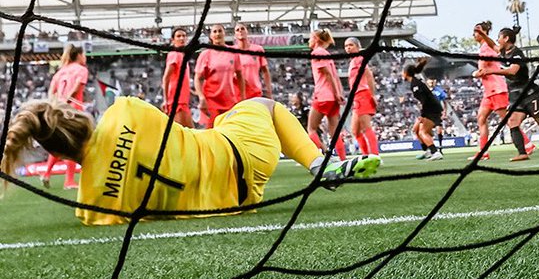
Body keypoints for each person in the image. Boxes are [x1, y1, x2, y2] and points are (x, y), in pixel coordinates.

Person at [2, 92, 381, 226]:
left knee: (219, 119)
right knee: (259, 105)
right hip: (248, 154)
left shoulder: (90, 205)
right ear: (78, 114)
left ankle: (320, 164)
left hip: (237, 200)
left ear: (53, 152)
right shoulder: (125, 111)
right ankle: (320, 165)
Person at [476, 27, 539, 161]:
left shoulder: (517, 54)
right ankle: (522, 153)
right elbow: (492, 45)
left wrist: (490, 72)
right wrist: (483, 35)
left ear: (506, 38)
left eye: (499, 37)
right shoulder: (502, 51)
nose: (497, 40)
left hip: (530, 95)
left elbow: (512, 71)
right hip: (516, 97)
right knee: (512, 122)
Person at [40, 44, 87, 189]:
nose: (85, 58)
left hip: (58, 111)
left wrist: (54, 106)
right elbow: (76, 87)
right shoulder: (81, 70)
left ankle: (46, 174)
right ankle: (69, 181)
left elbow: (51, 91)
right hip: (73, 111)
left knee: (60, 144)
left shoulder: (60, 72)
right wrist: (67, 101)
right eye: (84, 54)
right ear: (79, 55)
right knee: (73, 145)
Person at [471, 21, 510, 160]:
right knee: (481, 118)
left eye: (476, 32)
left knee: (507, 120)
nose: (473, 34)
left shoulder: (486, 48)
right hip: (489, 91)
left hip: (496, 88)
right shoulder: (484, 47)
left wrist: (475, 73)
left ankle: (527, 144)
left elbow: (483, 70)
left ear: (483, 33)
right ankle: (483, 152)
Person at [308, 28, 347, 161]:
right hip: (333, 98)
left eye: (311, 37)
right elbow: (335, 76)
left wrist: (337, 93)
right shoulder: (326, 54)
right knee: (335, 132)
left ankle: (326, 154)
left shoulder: (317, 52)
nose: (309, 40)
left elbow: (328, 74)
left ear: (317, 39)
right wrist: (339, 94)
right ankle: (343, 160)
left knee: (311, 129)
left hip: (323, 96)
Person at [194, 24, 242, 128]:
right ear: (211, 36)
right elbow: (198, 78)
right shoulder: (205, 54)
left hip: (230, 101)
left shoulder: (233, 52)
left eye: (220, 31)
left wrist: (242, 97)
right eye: (214, 32)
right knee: (212, 134)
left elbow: (240, 75)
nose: (217, 34)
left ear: (224, 33)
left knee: (230, 132)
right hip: (211, 102)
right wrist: (201, 97)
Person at [403, 57, 444, 160]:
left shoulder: (415, 85)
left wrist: (422, 115)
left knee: (422, 132)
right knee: (416, 130)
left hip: (431, 110)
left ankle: (435, 152)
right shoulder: (415, 82)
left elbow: (424, 101)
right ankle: (427, 151)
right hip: (431, 108)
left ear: (406, 73)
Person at [345, 37, 379, 156]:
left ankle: (375, 155)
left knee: (366, 127)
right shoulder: (353, 61)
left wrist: (372, 95)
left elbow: (369, 76)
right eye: (346, 46)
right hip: (357, 97)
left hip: (363, 94)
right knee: (355, 130)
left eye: (350, 45)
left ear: (357, 47)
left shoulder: (359, 59)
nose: (348, 48)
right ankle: (365, 155)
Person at [161, 27, 194, 128]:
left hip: (182, 101)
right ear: (173, 40)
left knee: (186, 133)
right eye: (178, 36)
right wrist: (166, 100)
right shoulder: (175, 54)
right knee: (186, 133)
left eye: (184, 36)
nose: (181, 38)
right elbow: (166, 77)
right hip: (176, 101)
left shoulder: (182, 55)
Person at [233, 22, 273, 101]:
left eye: (242, 29)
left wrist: (269, 91)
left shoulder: (257, 49)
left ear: (247, 31)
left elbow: (265, 71)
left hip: (255, 92)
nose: (240, 31)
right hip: (237, 93)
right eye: (237, 30)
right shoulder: (231, 52)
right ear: (235, 34)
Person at [428, 76, 448, 153]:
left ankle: (440, 147)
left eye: (432, 82)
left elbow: (445, 102)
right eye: (430, 82)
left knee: (439, 130)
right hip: (428, 113)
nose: (431, 83)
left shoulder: (439, 91)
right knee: (427, 131)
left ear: (435, 82)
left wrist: (444, 112)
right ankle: (430, 148)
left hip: (437, 113)